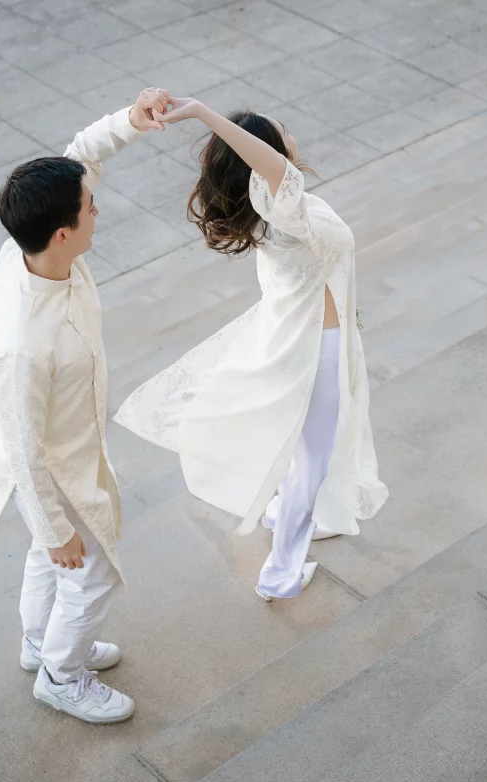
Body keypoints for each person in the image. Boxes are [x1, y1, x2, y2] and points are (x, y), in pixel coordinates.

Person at [0, 88, 170, 723]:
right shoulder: (23, 343)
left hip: (74, 441)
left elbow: (80, 156)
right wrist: (53, 526)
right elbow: (22, 445)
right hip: (54, 463)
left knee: (60, 560)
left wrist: (131, 118)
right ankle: (61, 677)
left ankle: (41, 642)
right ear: (65, 232)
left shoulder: (37, 243)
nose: (102, 210)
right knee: (92, 570)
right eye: (92, 208)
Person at [115, 98, 388, 601]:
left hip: (296, 339)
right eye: (281, 133)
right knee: (312, 463)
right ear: (269, 150)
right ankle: (280, 574)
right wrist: (202, 114)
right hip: (313, 351)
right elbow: (272, 165)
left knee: (301, 446)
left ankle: (280, 511)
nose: (290, 135)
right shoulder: (281, 200)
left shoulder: (265, 198)